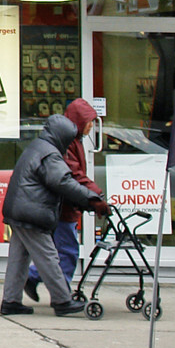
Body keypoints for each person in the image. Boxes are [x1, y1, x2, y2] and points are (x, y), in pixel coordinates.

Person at [0, 108, 111, 317]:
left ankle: (11, 301)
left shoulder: (38, 147)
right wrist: (92, 200)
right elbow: (64, 182)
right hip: (32, 212)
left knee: (19, 258)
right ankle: (62, 300)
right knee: (49, 257)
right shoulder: (50, 155)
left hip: (18, 209)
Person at [25, 98, 103, 301]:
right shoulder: (68, 144)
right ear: (79, 122)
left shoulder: (72, 142)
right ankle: (61, 292)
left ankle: (37, 278)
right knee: (66, 251)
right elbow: (73, 175)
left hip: (63, 206)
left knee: (57, 251)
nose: (91, 127)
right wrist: (94, 195)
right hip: (64, 208)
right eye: (89, 122)